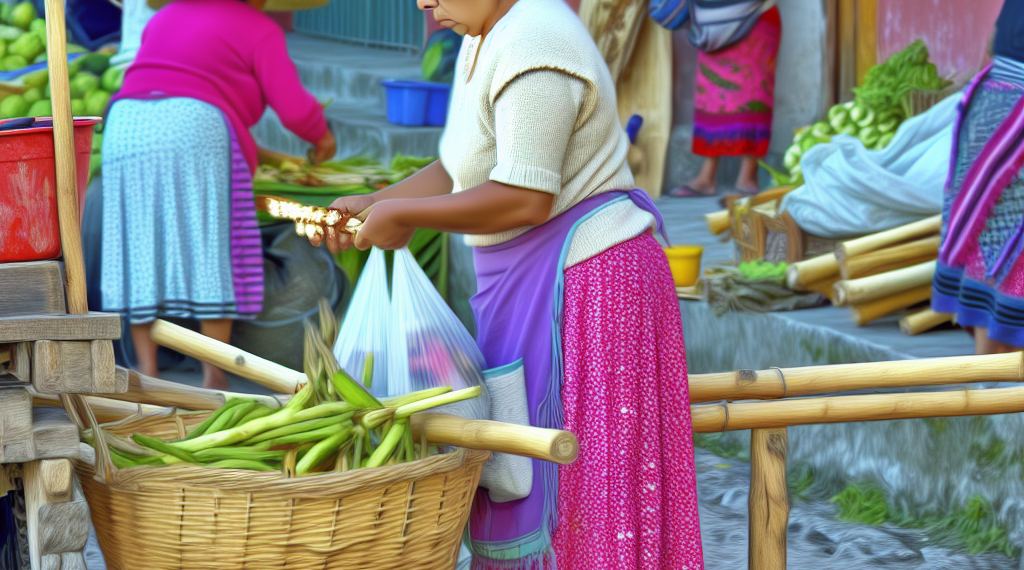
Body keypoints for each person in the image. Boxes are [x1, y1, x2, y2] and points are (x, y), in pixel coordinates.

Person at [307, 0, 704, 568]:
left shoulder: (536, 41)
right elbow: (467, 167)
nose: (423, 4)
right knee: (527, 475)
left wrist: (406, 216)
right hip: (531, 285)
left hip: (591, 292)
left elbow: (525, 196)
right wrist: (379, 202)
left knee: (588, 497)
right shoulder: (486, 35)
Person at [100, 0, 336, 389]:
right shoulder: (259, 27)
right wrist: (323, 138)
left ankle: (147, 371)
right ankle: (214, 374)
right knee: (211, 245)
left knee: (140, 247)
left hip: (126, 125)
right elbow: (294, 109)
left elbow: (175, 85)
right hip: (197, 125)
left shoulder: (166, 15)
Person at [933, 0, 1024, 355]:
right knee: (1003, 247)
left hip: (993, 101)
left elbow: (993, 39)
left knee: (990, 241)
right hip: (1009, 114)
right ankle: (994, 372)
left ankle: (989, 372)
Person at [670, 1, 782, 197]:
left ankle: (748, 177)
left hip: (756, 14)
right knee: (713, 96)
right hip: (713, 23)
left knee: (753, 91)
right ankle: (707, 178)